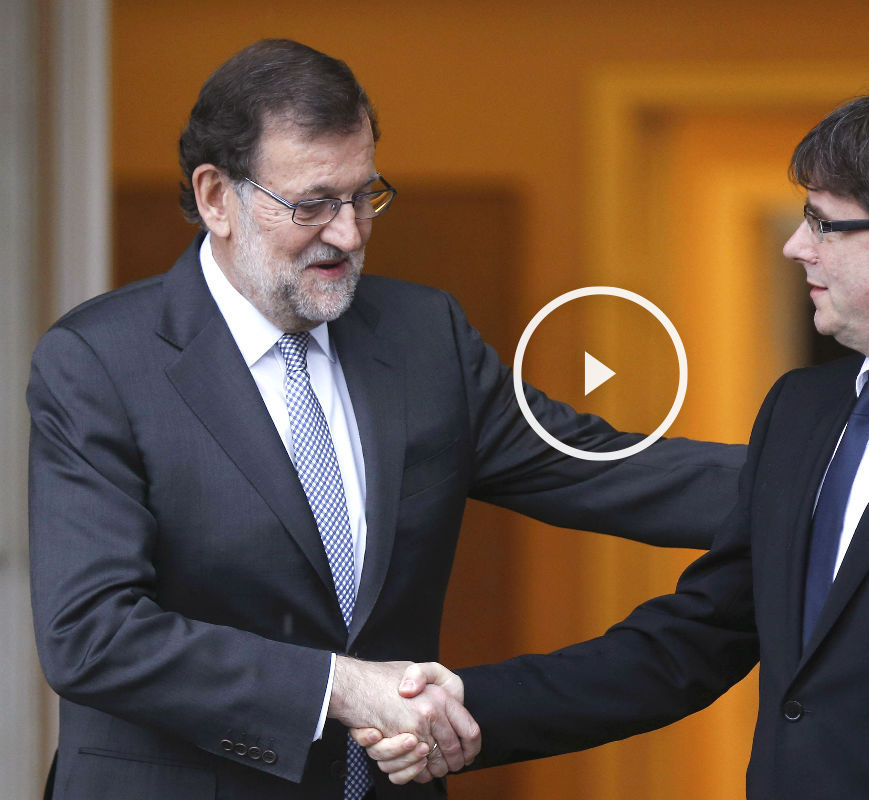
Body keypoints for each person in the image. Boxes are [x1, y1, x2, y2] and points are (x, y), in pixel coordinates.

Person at [366, 84, 869, 796]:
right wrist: (467, 708)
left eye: (823, 223)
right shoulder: (802, 409)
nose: (798, 245)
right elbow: (691, 642)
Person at [26, 39, 744, 800]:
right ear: (215, 198)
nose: (348, 233)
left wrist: (842, 473)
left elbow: (605, 467)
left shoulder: (424, 335)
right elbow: (91, 635)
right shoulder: (99, 361)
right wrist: (336, 687)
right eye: (312, 204)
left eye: (364, 194)